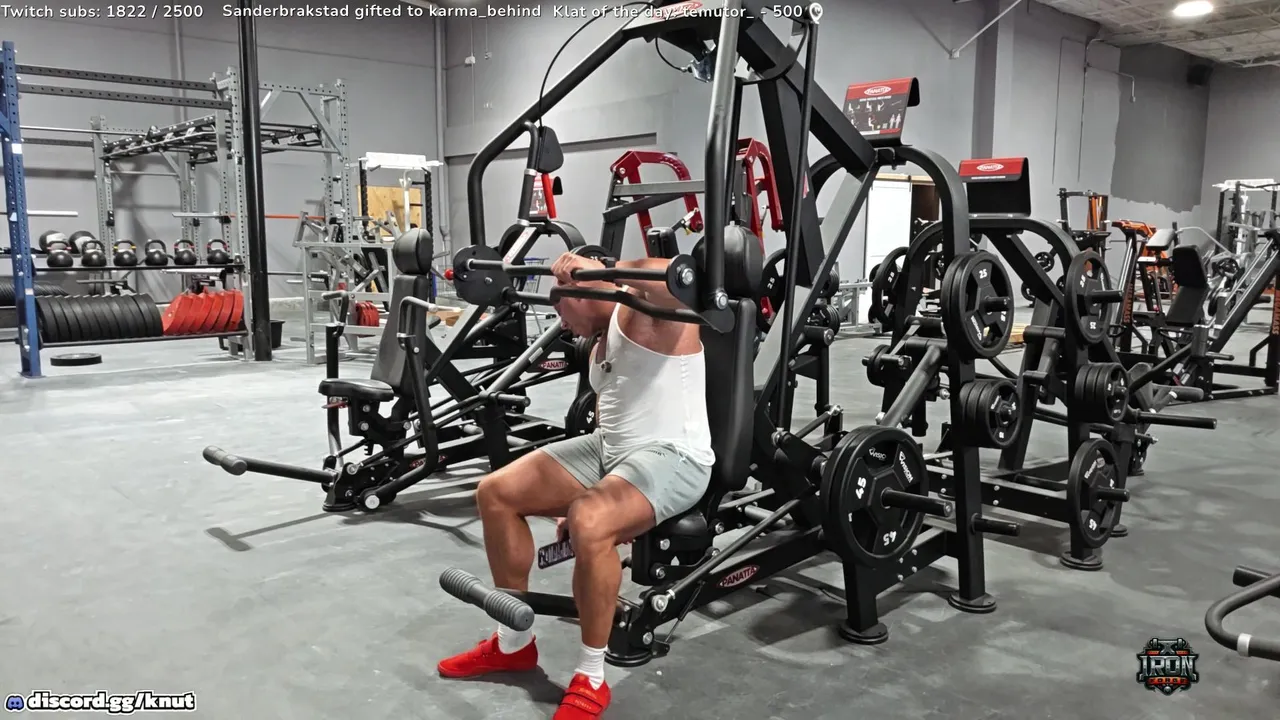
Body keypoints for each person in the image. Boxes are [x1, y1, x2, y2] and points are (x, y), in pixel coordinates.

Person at [437, 251, 714, 719]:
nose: (561, 324)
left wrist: (599, 271)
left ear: (585, 292)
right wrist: (591, 489)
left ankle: (591, 676)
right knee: (496, 493)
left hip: (675, 457)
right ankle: (513, 644)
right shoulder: (601, 339)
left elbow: (680, 279)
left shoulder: (648, 314)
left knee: (590, 518)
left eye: (560, 307)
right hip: (611, 449)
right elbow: (613, 412)